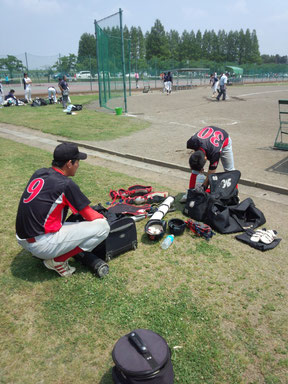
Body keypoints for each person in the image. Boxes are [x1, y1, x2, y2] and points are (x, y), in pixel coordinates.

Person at [15, 142, 110, 277]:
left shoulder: (40, 172)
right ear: (69, 163)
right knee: (103, 227)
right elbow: (89, 215)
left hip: (22, 238)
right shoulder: (65, 184)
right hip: (41, 244)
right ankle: (57, 261)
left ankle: (48, 253)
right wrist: (102, 217)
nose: (78, 165)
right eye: (77, 161)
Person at [180, 126, 235, 202]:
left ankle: (235, 196)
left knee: (230, 170)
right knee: (195, 169)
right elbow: (196, 158)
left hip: (224, 139)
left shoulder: (214, 153)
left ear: (206, 158)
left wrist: (203, 187)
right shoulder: (191, 142)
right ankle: (190, 193)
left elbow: (211, 174)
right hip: (206, 137)